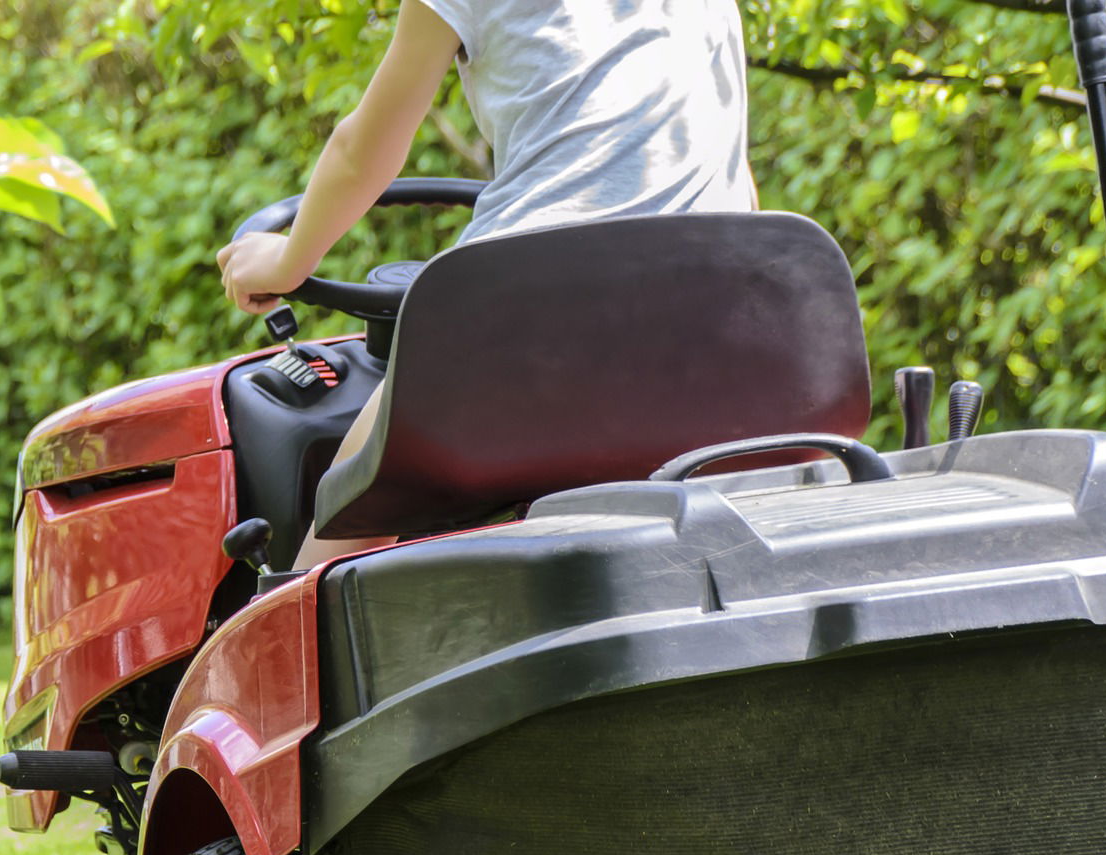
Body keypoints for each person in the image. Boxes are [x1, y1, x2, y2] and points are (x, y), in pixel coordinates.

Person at [216, 0, 756, 569]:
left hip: (533, 311)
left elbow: (362, 151)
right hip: (714, 332)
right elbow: (736, 181)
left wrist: (287, 262)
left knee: (355, 493)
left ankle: (294, 630)